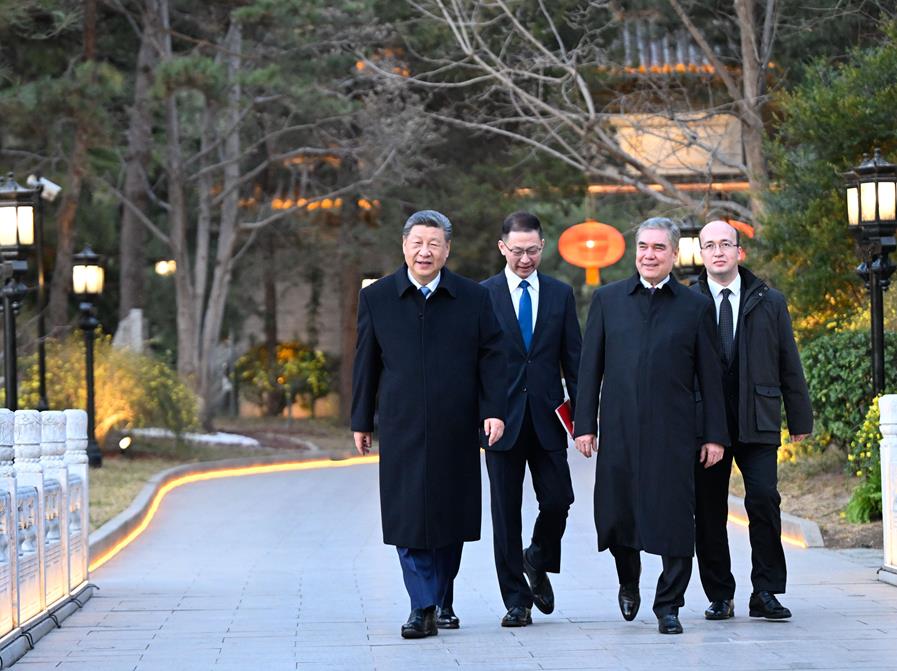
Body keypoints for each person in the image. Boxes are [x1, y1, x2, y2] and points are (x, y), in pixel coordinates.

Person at [351, 210, 507, 640]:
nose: (425, 251)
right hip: (401, 425)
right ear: (404, 246)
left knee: (450, 518)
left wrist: (493, 410)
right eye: (417, 242)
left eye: (434, 243)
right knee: (406, 515)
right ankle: (421, 606)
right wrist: (361, 419)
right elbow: (366, 363)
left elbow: (493, 357)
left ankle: (437, 596)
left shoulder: (473, 297)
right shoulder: (377, 297)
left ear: (447, 250)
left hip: (457, 424)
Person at [573, 216, 728, 635]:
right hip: (620, 429)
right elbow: (590, 369)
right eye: (643, 246)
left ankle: (669, 604)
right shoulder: (608, 300)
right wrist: (584, 425)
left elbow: (710, 378)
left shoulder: (695, 306)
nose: (649, 254)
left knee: (675, 517)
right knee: (618, 514)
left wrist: (715, 435)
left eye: (659, 248)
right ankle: (628, 581)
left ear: (674, 254)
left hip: (674, 432)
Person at [692, 219, 813, 621]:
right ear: (701, 253)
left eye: (726, 244)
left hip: (757, 417)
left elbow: (788, 360)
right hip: (707, 424)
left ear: (739, 251)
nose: (718, 251)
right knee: (709, 509)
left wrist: (800, 416)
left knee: (763, 500)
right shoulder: (688, 301)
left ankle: (766, 590)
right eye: (710, 245)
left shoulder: (769, 300)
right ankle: (720, 594)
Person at [481, 212, 581, 627]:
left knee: (559, 500)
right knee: (506, 516)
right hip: (500, 421)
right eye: (517, 251)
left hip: (547, 417)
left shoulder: (560, 294)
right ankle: (516, 602)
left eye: (533, 251)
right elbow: (474, 363)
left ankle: (536, 557)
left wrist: (585, 422)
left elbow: (573, 360)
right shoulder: (482, 295)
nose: (525, 259)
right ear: (502, 248)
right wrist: (481, 414)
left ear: (543, 246)